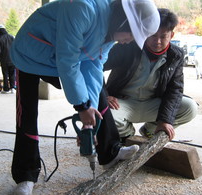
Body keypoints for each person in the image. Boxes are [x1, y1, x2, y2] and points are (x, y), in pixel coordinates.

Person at [10, 0, 160, 194]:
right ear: (123, 21)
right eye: (131, 34)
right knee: (27, 114)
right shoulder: (83, 7)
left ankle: (110, 153)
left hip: (61, 58)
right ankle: (25, 177)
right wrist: (81, 106)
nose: (129, 41)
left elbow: (94, 66)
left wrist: (89, 118)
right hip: (31, 53)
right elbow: (68, 60)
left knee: (99, 93)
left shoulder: (110, 32)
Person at [102, 8, 198, 142]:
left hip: (152, 103)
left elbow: (174, 89)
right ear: (145, 32)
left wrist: (165, 120)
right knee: (105, 114)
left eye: (163, 36)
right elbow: (96, 67)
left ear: (172, 35)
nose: (157, 41)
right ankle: (128, 136)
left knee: (190, 107)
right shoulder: (127, 45)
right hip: (122, 102)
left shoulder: (176, 55)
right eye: (153, 35)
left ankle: (149, 131)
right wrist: (104, 95)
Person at [0, 25, 16, 93]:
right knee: (12, 74)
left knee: (5, 74)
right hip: (12, 59)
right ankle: (13, 87)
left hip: (4, 60)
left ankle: (6, 89)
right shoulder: (11, 37)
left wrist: (0, 56)